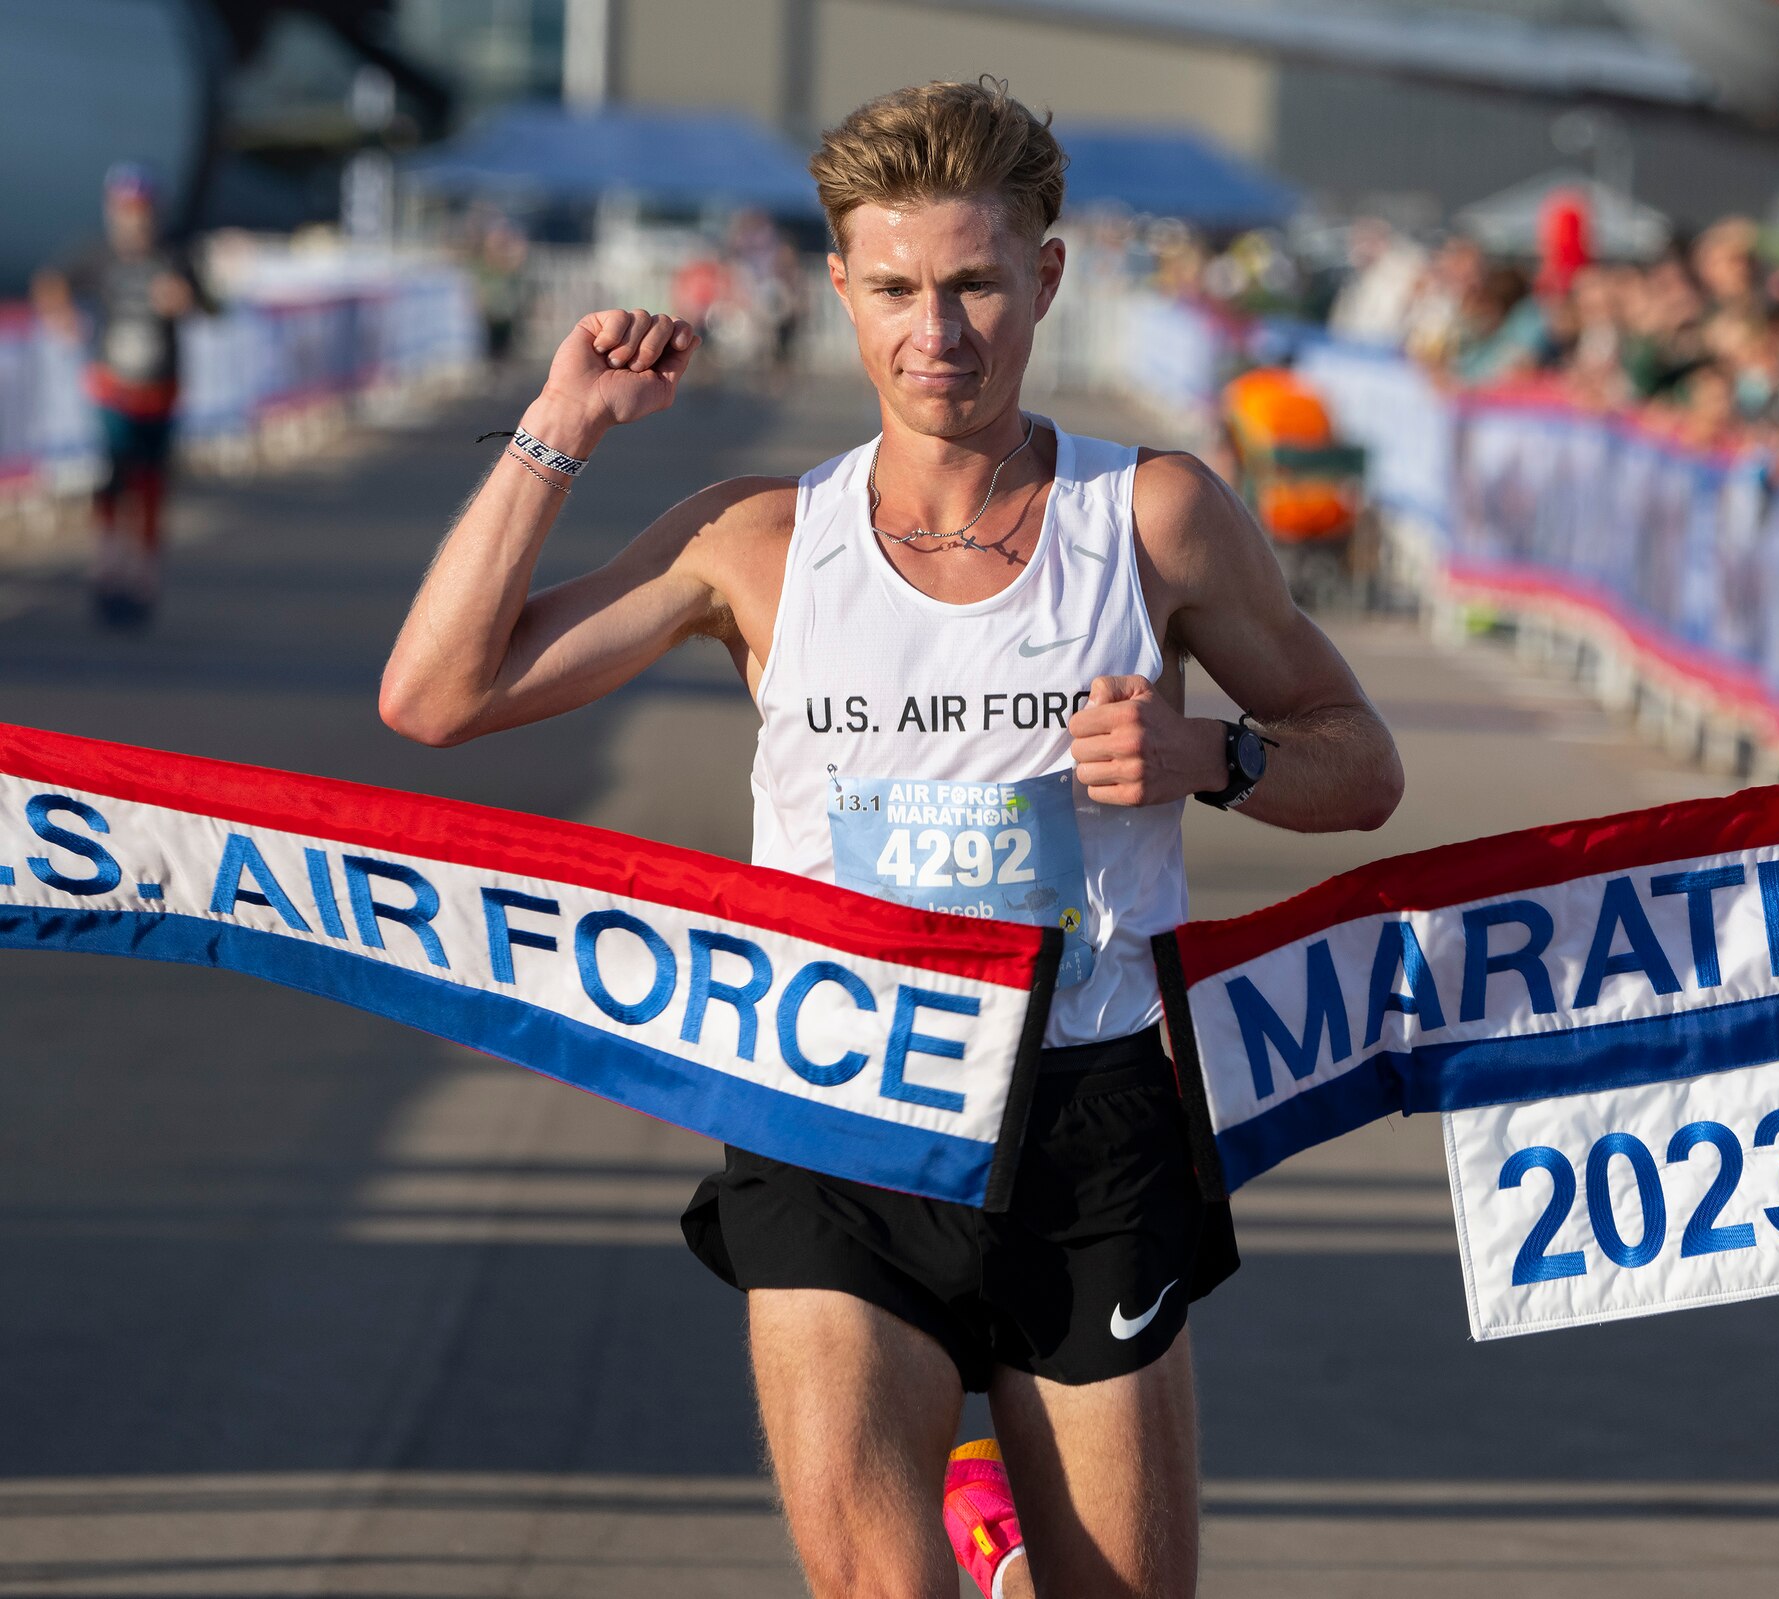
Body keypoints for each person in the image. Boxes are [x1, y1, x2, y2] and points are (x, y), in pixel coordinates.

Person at [379, 78, 1402, 1599]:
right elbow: (436, 695)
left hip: (1088, 1119)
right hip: (832, 1104)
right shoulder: (759, 540)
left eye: (979, 282)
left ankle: (991, 1503)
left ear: (1047, 277)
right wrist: (556, 426)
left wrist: (1211, 750)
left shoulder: (1153, 518)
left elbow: (1361, 764)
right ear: (842, 288)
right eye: (900, 289)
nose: (942, 332)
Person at [31, 162, 213, 629]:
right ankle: (109, 562)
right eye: (126, 209)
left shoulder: (174, 256)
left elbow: (214, 304)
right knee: (114, 471)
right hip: (113, 387)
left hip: (161, 389)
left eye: (142, 210)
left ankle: (143, 571)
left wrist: (186, 301)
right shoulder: (98, 255)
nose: (135, 219)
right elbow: (51, 282)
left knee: (151, 480)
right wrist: (63, 318)